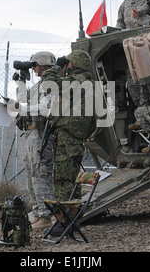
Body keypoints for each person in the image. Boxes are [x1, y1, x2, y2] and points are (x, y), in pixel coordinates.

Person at [41, 50, 96, 202]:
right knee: (72, 178)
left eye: (69, 62)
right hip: (77, 138)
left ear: (74, 64)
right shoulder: (90, 83)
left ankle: (63, 220)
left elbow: (47, 83)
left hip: (67, 137)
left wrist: (57, 67)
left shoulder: (76, 82)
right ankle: (72, 215)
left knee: (63, 179)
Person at [10, 51, 57, 230]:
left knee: (40, 174)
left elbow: (45, 108)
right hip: (30, 133)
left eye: (34, 66)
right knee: (31, 174)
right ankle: (38, 212)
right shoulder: (38, 85)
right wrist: (20, 83)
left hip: (42, 133)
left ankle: (46, 216)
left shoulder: (52, 84)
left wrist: (24, 108)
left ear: (41, 65)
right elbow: (23, 103)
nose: (34, 69)